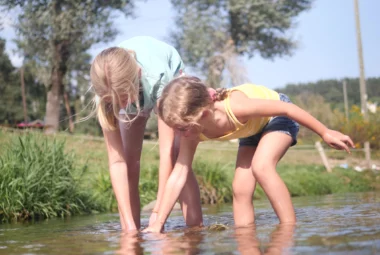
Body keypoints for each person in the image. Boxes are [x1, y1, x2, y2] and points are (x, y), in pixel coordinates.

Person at [142, 76, 354, 233]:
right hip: (251, 131)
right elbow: (179, 173)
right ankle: (246, 239)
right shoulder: (191, 131)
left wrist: (325, 132)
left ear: (204, 114)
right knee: (240, 187)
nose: (179, 135)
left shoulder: (237, 106)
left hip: (277, 118)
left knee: (262, 167)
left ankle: (288, 231)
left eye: (182, 128)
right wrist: (158, 223)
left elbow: (287, 110)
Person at [89, 36, 203, 231]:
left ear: (138, 75)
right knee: (129, 162)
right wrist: (129, 229)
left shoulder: (158, 78)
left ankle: (195, 229)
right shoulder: (106, 88)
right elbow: (117, 162)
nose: (120, 106)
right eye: (113, 102)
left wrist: (158, 215)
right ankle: (132, 228)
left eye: (123, 99)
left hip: (166, 81)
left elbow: (165, 154)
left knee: (176, 155)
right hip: (129, 85)